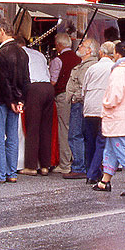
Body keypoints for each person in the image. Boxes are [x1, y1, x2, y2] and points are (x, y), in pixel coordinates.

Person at [93, 41, 125, 197]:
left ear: (117, 53)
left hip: (118, 117)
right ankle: (105, 181)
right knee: (112, 148)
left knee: (123, 148)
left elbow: (114, 95)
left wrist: (105, 102)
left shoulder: (119, 71)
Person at [0, 19, 30, 184]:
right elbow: (26, 80)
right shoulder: (22, 52)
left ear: (2, 31)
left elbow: (3, 82)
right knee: (12, 137)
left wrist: (11, 100)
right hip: (16, 100)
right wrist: (20, 100)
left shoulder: (1, 53)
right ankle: (12, 173)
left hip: (0, 100)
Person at [62, 38, 97, 179]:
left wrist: (75, 97)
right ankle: (85, 165)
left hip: (80, 103)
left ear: (89, 50)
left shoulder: (86, 67)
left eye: (82, 45)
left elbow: (83, 86)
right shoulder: (87, 65)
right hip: (84, 103)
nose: (79, 46)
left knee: (75, 134)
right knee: (84, 135)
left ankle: (78, 166)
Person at [20, 37, 55, 176]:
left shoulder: (19, 53)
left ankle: (31, 166)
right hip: (47, 87)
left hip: (34, 88)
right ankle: (45, 165)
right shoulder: (38, 54)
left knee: (33, 127)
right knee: (46, 128)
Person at [82, 41, 116, 183]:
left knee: (89, 141)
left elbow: (84, 89)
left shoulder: (92, 68)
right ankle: (93, 173)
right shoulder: (114, 68)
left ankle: (91, 170)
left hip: (89, 108)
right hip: (104, 108)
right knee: (101, 142)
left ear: (101, 53)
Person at [49, 33, 80, 174]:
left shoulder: (58, 60)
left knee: (64, 129)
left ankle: (64, 163)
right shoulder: (79, 59)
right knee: (76, 129)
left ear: (59, 45)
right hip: (78, 97)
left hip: (63, 96)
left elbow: (53, 81)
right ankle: (77, 159)